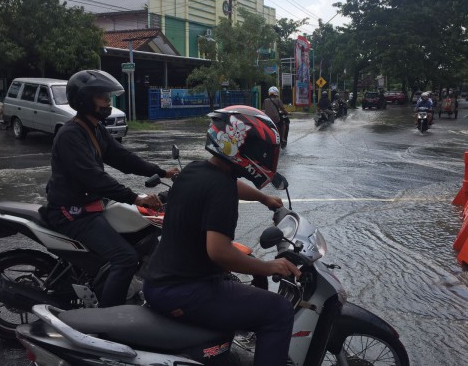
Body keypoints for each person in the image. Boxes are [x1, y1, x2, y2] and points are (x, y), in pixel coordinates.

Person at [144, 106, 301, 366]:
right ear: (242, 147)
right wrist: (268, 266)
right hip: (185, 290)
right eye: (261, 150)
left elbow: (229, 184)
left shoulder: (197, 171)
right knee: (279, 311)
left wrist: (263, 198)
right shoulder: (221, 189)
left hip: (163, 281)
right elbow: (219, 251)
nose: (264, 157)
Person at [44, 69, 180, 308]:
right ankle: (108, 323)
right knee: (125, 258)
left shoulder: (94, 129)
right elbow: (94, 178)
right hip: (73, 212)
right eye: (102, 97)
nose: (108, 101)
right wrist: (136, 198)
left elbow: (123, 158)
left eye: (108, 96)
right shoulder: (70, 135)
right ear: (84, 99)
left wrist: (160, 171)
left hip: (91, 205)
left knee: (143, 235)